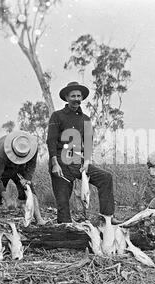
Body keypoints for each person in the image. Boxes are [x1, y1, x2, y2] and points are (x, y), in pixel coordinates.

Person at [47, 81, 115, 223]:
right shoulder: (57, 116)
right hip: (61, 161)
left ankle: (107, 218)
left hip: (79, 161)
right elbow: (51, 141)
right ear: (66, 97)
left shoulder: (86, 119)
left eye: (79, 96)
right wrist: (55, 164)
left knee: (106, 178)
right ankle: (65, 230)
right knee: (63, 201)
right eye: (73, 96)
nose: (76, 99)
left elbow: (88, 143)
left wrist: (87, 162)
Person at [0, 130, 46, 225]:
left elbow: (31, 167)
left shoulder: (32, 148)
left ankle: (39, 219)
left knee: (28, 188)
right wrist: (7, 198)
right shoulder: (1, 153)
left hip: (21, 167)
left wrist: (27, 179)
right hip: (1, 164)